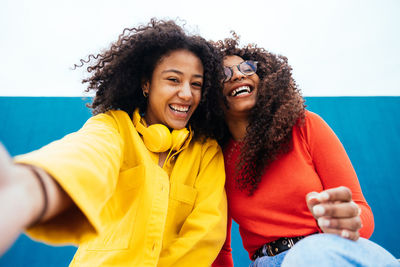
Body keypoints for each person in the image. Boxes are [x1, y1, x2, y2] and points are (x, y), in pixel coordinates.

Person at [0, 19, 227, 266]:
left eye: (196, 84)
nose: (186, 93)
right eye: (173, 80)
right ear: (146, 84)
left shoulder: (206, 152)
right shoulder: (114, 128)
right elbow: (84, 157)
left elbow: (206, 234)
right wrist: (30, 186)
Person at [211, 35, 399, 266]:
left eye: (246, 67)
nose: (239, 75)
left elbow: (362, 213)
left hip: (326, 249)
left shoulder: (306, 125)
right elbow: (220, 248)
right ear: (210, 97)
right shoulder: (216, 158)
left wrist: (345, 221)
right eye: (225, 74)